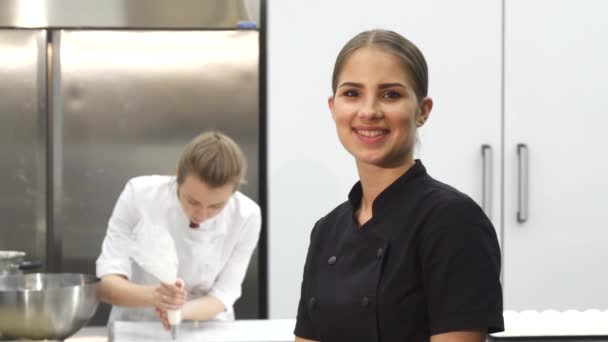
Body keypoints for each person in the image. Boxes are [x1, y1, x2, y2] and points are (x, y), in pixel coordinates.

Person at [294, 30, 504, 342]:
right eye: (352, 93)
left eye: (390, 94)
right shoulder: (326, 231)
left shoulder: (454, 222)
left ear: (422, 110)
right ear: (332, 107)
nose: (368, 111)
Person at [96, 131, 261, 329]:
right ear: (177, 178)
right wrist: (155, 296)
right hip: (136, 326)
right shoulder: (139, 196)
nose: (201, 213)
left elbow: (225, 293)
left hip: (207, 326)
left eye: (216, 206)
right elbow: (106, 285)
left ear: (233, 192)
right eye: (192, 201)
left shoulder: (246, 216)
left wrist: (179, 312)